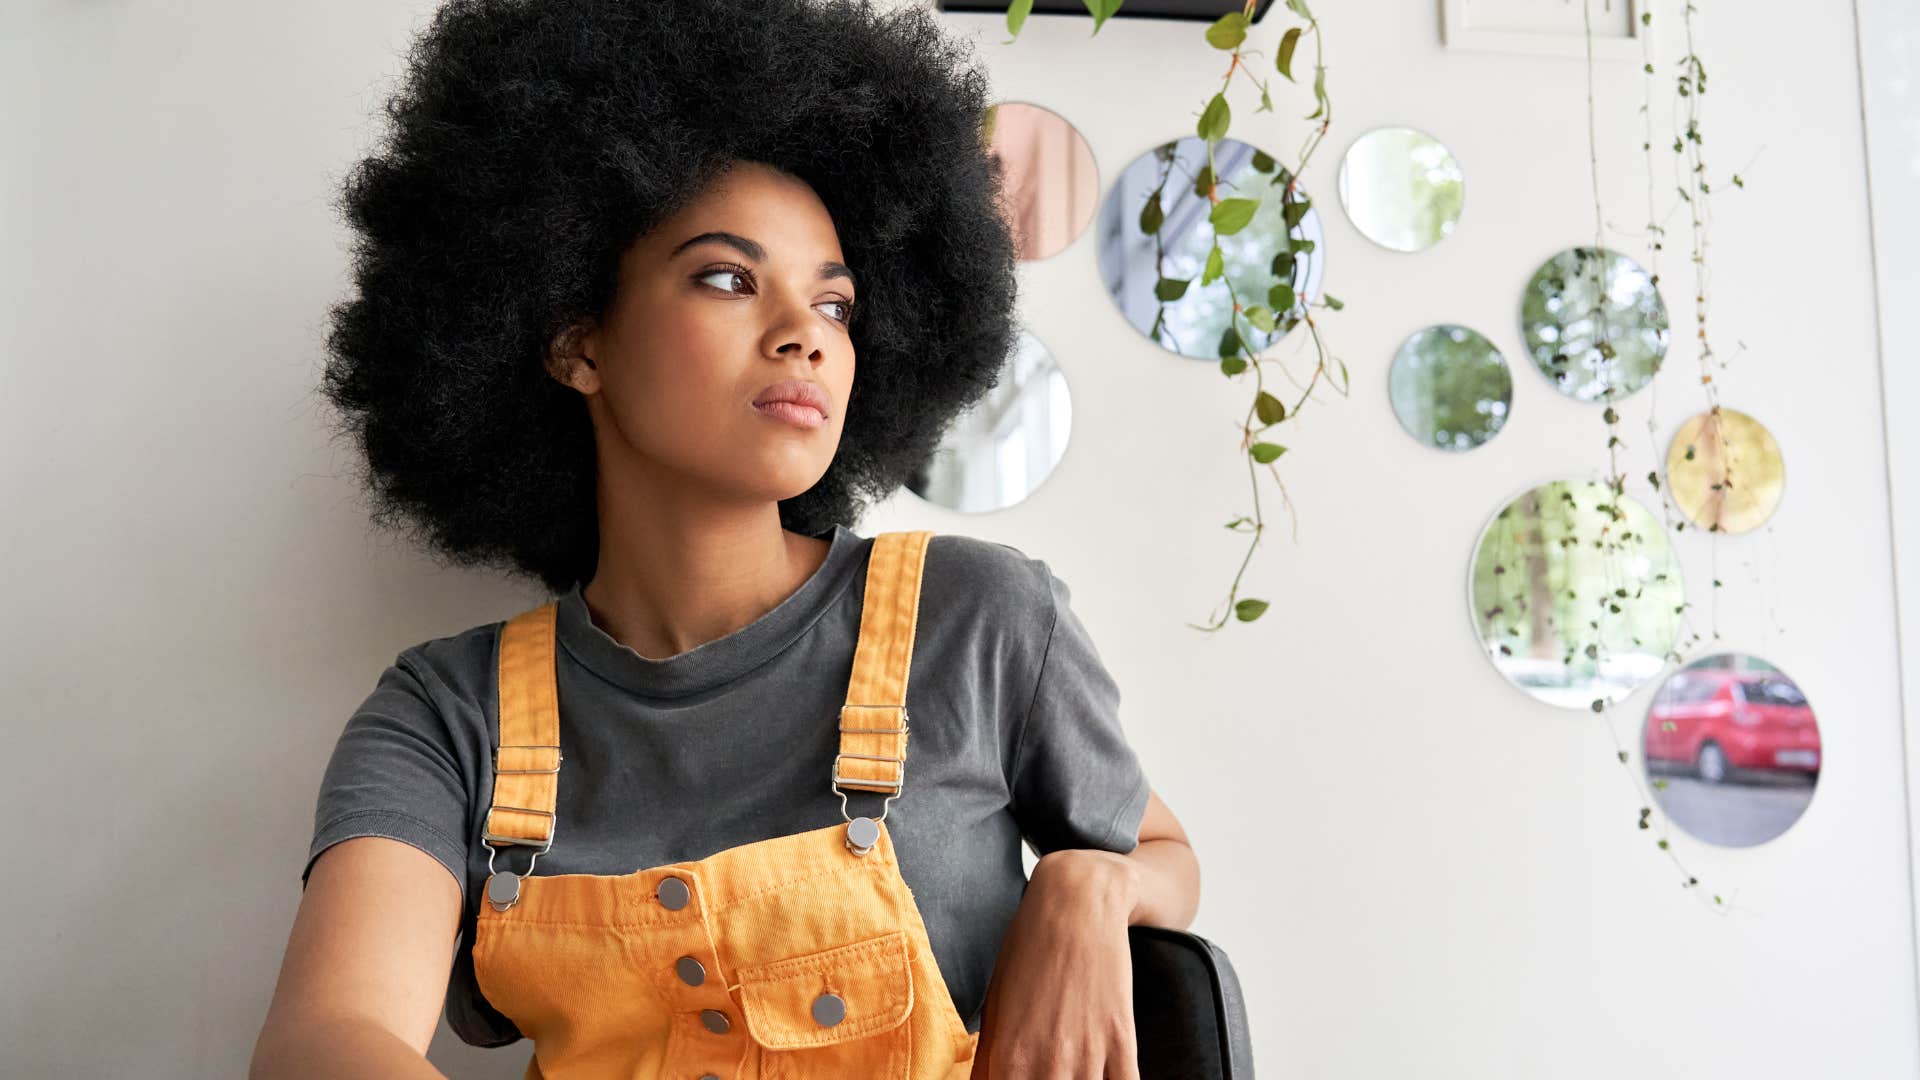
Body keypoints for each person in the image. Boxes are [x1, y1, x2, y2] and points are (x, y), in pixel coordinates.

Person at [250, 1, 1200, 1077]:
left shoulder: (978, 620)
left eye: (835, 305)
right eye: (727, 278)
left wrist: (1088, 882)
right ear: (576, 341)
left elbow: (1162, 851)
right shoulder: (448, 715)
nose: (805, 335)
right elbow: (328, 1036)